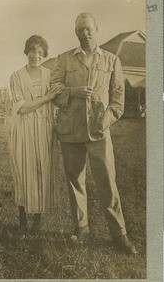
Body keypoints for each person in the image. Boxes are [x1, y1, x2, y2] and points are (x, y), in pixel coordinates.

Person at [50, 13, 137, 254]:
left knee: (107, 181)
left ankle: (119, 233)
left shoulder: (111, 60)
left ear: (97, 29)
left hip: (99, 132)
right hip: (70, 131)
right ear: (75, 32)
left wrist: (107, 118)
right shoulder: (64, 59)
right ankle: (82, 229)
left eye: (88, 29)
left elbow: (118, 100)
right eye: (80, 30)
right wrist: (74, 91)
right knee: (75, 181)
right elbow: (53, 92)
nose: (84, 33)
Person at [9, 35, 63, 235]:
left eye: (41, 52)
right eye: (33, 50)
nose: (36, 55)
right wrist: (48, 96)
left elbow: (59, 99)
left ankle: (38, 220)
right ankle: (22, 219)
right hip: (23, 129)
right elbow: (22, 108)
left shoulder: (50, 75)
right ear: (26, 51)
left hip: (45, 130)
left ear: (45, 54)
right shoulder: (16, 76)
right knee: (23, 173)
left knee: (42, 172)